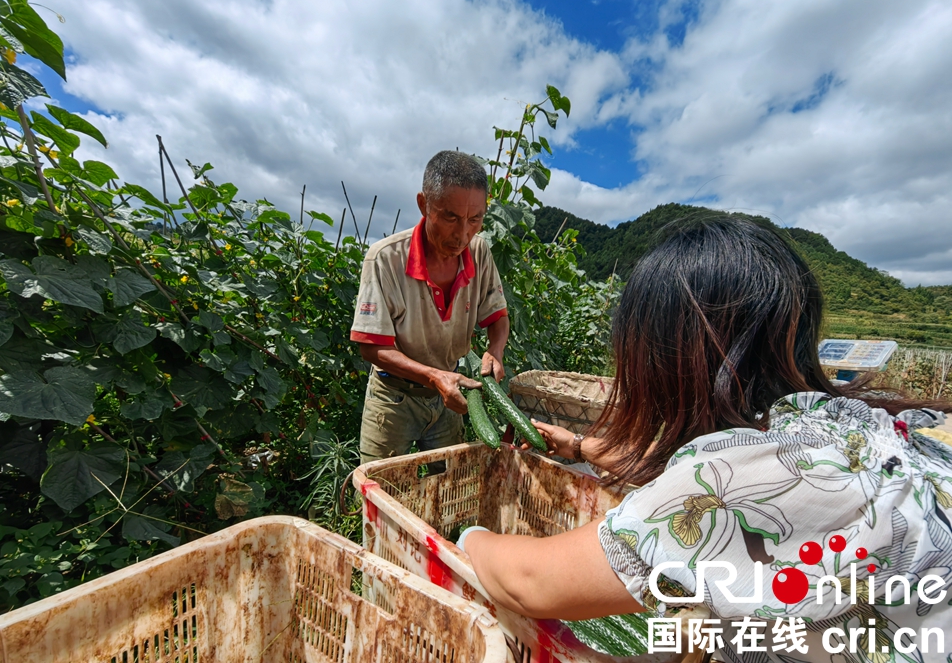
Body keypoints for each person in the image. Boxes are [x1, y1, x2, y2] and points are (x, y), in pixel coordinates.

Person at [462, 216, 952, 662]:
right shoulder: (870, 425)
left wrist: (468, 538)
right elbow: (710, 471)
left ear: (672, 361)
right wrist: (577, 445)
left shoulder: (731, 480)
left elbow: (529, 582)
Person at [350, 150, 509, 464]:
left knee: (448, 486)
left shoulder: (479, 251)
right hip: (392, 397)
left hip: (449, 395)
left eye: (475, 219)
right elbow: (371, 348)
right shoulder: (385, 259)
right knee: (379, 487)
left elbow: (497, 315)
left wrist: (496, 349)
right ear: (424, 205)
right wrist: (434, 377)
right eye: (451, 217)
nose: (463, 233)